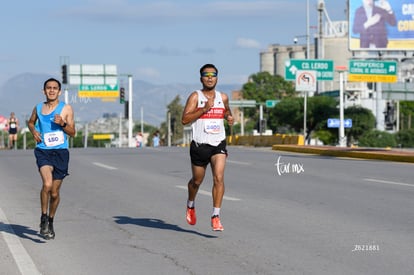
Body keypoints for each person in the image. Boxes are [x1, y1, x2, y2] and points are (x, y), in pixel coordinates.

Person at [181, 64, 234, 231]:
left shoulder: (223, 97)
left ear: (217, 77)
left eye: (213, 75)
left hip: (218, 142)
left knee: (218, 178)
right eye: (206, 75)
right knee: (197, 181)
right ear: (201, 78)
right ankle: (190, 204)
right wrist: (204, 109)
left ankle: (215, 215)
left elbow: (226, 111)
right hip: (200, 144)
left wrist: (229, 117)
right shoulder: (195, 97)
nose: (210, 78)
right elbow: (185, 119)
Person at [27, 78, 76, 240]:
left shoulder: (66, 108)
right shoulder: (38, 107)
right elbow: (31, 122)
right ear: (44, 91)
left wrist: (62, 123)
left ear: (59, 91)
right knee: (47, 184)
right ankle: (43, 218)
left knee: (54, 193)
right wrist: (34, 131)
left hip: (61, 153)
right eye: (49, 88)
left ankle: (51, 220)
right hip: (43, 151)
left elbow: (73, 132)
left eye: (55, 88)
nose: (52, 90)